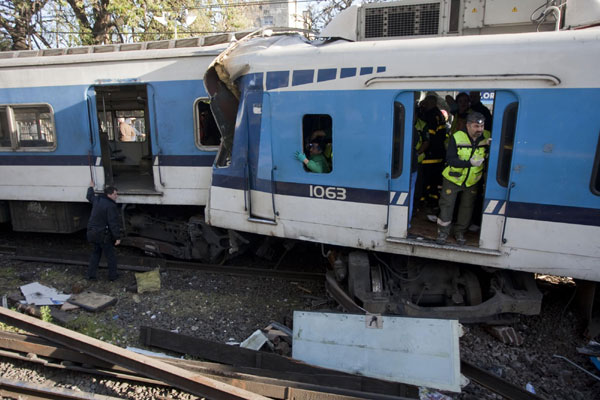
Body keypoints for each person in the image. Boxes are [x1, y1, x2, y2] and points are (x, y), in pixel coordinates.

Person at [436, 112, 491, 246]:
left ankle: (459, 232)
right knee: (447, 206)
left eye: (482, 126)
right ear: (468, 125)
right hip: (453, 179)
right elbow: (450, 159)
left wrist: (491, 147)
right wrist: (469, 163)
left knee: (467, 208)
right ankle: (442, 233)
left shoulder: (487, 136)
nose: (479, 129)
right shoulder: (457, 137)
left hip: (473, 181)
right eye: (476, 126)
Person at [86, 181, 121, 281]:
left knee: (95, 254)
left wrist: (90, 187)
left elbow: (89, 196)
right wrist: (117, 237)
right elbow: (113, 223)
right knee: (111, 256)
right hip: (103, 235)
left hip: (92, 233)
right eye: (115, 194)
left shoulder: (97, 200)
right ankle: (113, 276)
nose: (116, 196)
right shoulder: (111, 206)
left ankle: (90, 275)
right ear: (109, 194)